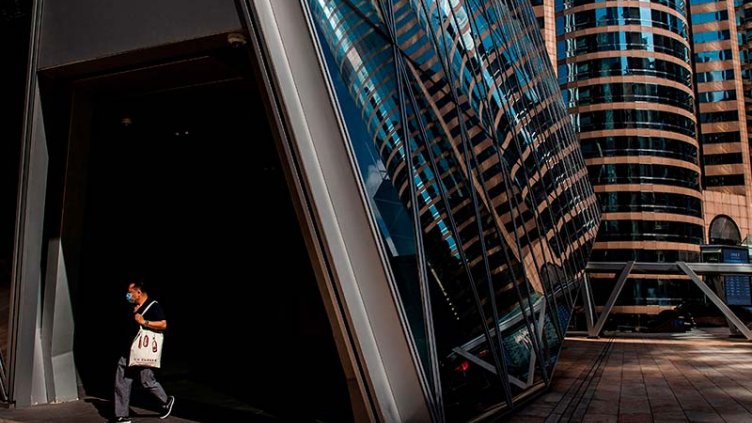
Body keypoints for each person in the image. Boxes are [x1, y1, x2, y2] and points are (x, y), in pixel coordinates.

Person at [108, 280, 175, 423]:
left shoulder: (153, 306)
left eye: (130, 292)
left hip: (143, 351)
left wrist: (144, 322)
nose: (128, 295)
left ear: (138, 292)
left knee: (147, 381)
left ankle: (166, 401)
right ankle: (122, 415)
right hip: (128, 350)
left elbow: (163, 324)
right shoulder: (132, 307)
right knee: (122, 381)